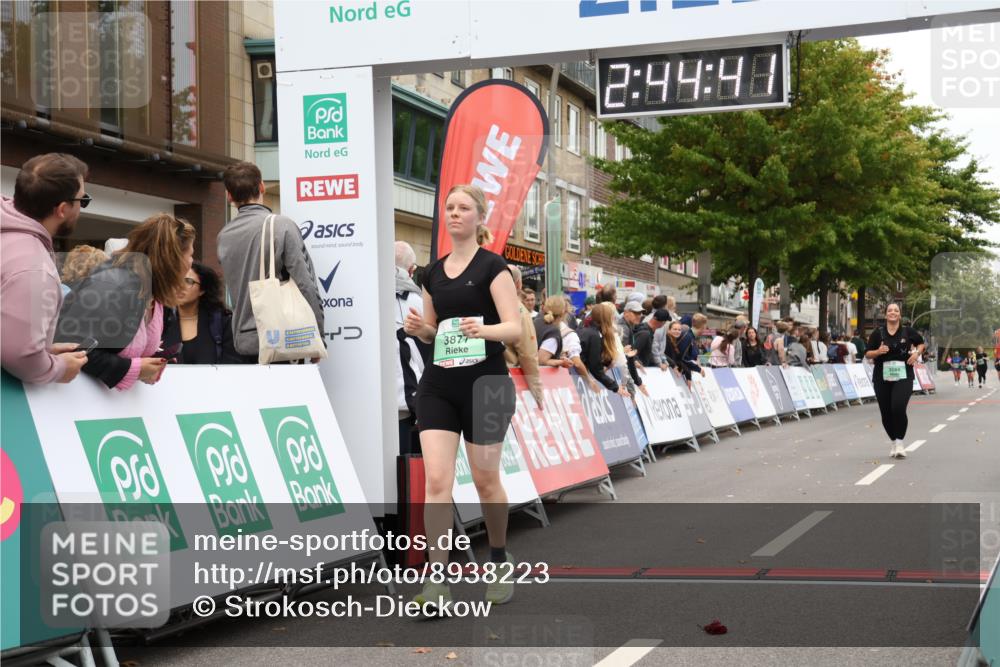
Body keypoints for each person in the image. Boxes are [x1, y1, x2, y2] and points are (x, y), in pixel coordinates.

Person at [403, 184, 522, 611]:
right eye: (449, 207)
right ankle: (437, 579)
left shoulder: (494, 267)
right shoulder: (431, 273)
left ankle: (497, 559)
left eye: (463, 208)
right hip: (439, 383)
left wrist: (483, 330)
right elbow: (436, 331)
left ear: (478, 216)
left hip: (486, 384)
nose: (454, 214)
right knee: (437, 481)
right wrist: (423, 331)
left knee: (487, 480)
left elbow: (515, 328)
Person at [56, 214, 195, 390]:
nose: (192, 262)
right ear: (173, 258)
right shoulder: (115, 287)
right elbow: (72, 349)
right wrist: (133, 369)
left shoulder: (153, 293)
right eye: (191, 254)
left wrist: (149, 364)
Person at [216, 161, 324, 363]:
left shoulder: (224, 236)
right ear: (262, 187)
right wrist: (319, 336)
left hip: (241, 342)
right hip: (282, 339)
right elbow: (306, 284)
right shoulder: (281, 226)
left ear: (229, 196)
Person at [1, 153, 90, 384]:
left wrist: (43, 352)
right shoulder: (33, 267)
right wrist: (58, 368)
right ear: (62, 209)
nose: (82, 209)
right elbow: (19, 356)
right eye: (83, 200)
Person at [866, 303, 925, 459]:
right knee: (886, 413)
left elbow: (921, 343)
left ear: (900, 315)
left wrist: (916, 354)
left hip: (903, 375)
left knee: (898, 407)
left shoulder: (907, 331)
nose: (892, 313)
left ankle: (899, 442)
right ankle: (893, 441)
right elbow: (867, 354)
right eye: (889, 310)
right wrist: (878, 351)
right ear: (886, 315)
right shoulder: (877, 333)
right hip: (881, 377)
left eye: (896, 310)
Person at [394, 242, 428, 456]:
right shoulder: (417, 302)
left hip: (367, 402)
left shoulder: (363, 295)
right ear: (412, 271)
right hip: (406, 401)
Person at [175, 262, 241, 365]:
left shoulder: (221, 323)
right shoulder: (160, 321)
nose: (180, 286)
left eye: (188, 281)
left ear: (202, 290)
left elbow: (232, 365)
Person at [504, 266, 544, 408]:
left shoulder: (482, 303)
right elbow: (527, 354)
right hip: (506, 380)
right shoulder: (518, 310)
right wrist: (538, 392)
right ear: (518, 284)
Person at [577, 302, 630, 396]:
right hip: (577, 377)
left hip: (577, 375)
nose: (613, 319)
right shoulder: (594, 335)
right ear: (606, 318)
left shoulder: (589, 330)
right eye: (611, 316)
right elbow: (595, 368)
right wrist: (615, 387)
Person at [663, 320, 704, 385]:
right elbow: (671, 358)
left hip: (671, 372)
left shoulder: (673, 341)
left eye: (679, 330)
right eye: (675, 329)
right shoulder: (667, 340)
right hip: (666, 372)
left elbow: (679, 360)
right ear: (669, 330)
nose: (677, 331)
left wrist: (689, 374)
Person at [534, 296, 571, 369]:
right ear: (563, 312)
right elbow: (541, 360)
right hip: (539, 376)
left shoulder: (536, 321)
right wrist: (562, 362)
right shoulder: (553, 331)